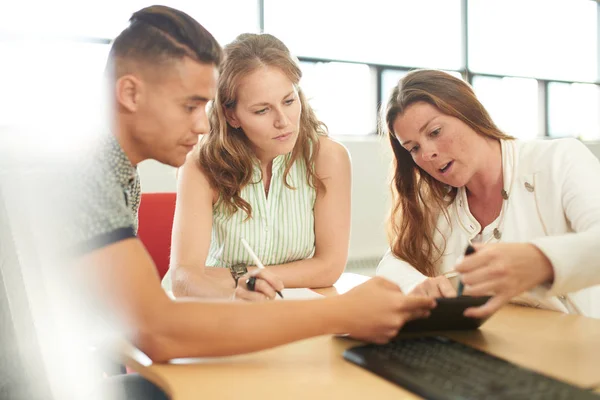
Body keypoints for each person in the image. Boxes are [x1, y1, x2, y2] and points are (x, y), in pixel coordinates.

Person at [58, 3, 435, 387]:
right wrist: (341, 314)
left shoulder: (117, 171)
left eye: (289, 100)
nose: (204, 123)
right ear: (130, 93)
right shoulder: (90, 174)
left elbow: (137, 319)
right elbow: (159, 331)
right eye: (190, 105)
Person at [376, 69, 600, 319]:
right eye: (413, 148)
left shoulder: (560, 159)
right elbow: (393, 262)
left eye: (435, 132)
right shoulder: (437, 200)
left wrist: (542, 261)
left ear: (469, 112)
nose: (427, 154)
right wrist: (413, 285)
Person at [160, 33, 351, 301]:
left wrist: (239, 276)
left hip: (291, 307)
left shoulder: (328, 158)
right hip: (216, 307)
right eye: (262, 110)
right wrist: (240, 292)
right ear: (232, 115)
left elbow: (329, 267)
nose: (283, 121)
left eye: (289, 100)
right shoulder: (200, 165)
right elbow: (184, 279)